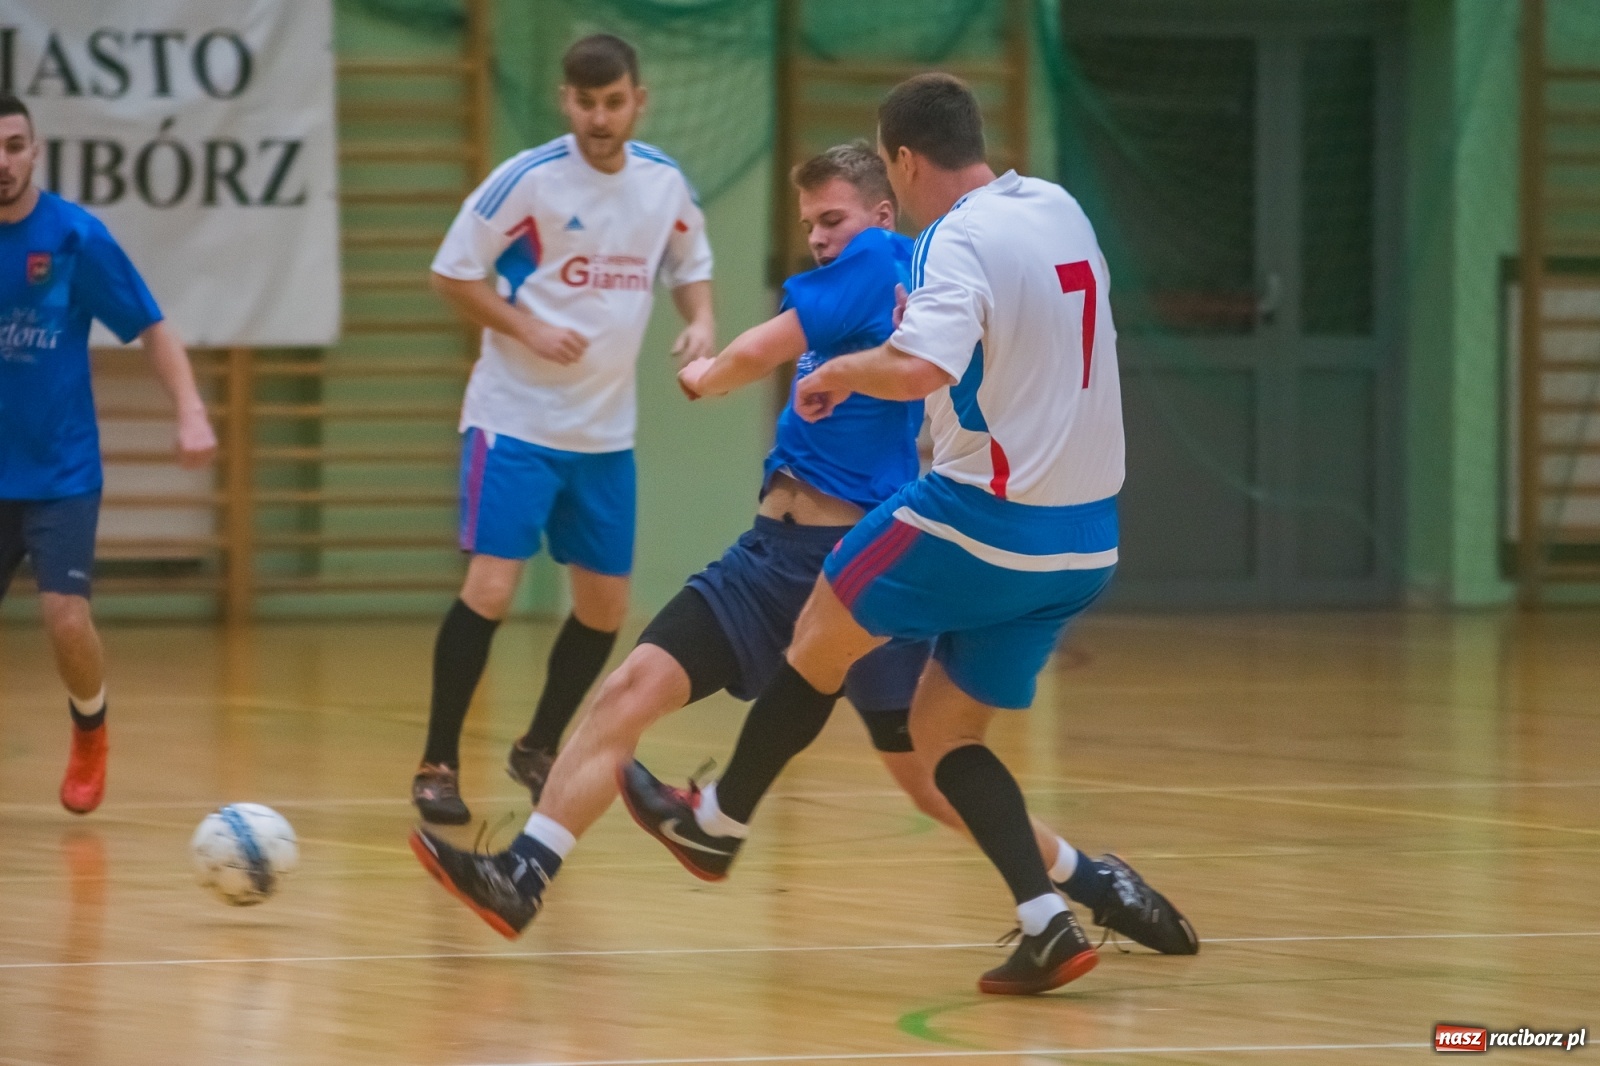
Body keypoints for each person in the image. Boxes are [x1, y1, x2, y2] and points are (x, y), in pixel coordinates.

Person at [409, 143, 1152, 948]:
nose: (822, 238)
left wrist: (702, 370)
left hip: (815, 565)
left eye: (832, 219)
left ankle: (656, 840)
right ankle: (1089, 881)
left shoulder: (871, 266)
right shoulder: (914, 271)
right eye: (810, 227)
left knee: (642, 698)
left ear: (881, 211)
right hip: (824, 555)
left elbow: (750, 357)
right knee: (923, 772)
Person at [622, 75, 1197, 995]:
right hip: (1087, 541)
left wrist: (839, 372)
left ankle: (718, 823)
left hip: (983, 517)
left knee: (819, 631)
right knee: (944, 738)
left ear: (903, 160)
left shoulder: (950, 240)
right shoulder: (1055, 206)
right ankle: (1050, 919)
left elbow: (921, 362)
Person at [413, 34, 715, 824]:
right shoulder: (531, 180)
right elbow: (451, 273)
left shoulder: (662, 184)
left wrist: (704, 323)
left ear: (637, 100)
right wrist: (523, 328)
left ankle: (538, 745)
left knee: (606, 609)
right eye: (586, 103)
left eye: (614, 102)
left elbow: (690, 263)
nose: (600, 117)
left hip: (605, 435)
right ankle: (438, 762)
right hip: (514, 422)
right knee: (491, 588)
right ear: (565, 100)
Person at [0, 94, 217, 814]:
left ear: (34, 151)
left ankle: (90, 728)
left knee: (65, 617)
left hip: (59, 471)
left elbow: (153, 328)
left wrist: (189, 412)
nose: (3, 163)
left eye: (14, 146)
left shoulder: (73, 239)